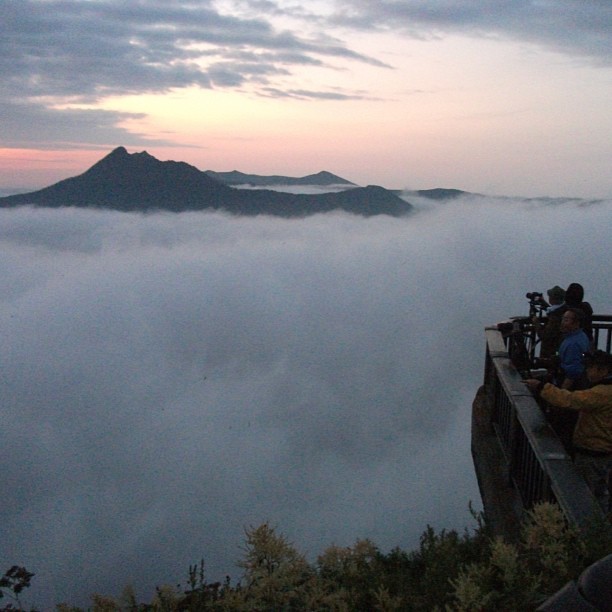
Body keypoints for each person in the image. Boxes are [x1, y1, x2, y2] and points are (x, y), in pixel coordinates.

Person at [524, 351, 612, 513]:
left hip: (592, 451)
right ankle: (601, 528)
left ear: (604, 370)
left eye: (591, 368)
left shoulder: (601, 394)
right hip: (605, 452)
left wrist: (542, 387)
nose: (587, 371)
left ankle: (588, 532)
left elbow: (570, 400)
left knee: (585, 496)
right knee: (602, 494)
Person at [537, 285, 566, 360]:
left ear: (552, 299)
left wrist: (536, 323)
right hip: (557, 349)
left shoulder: (555, 317)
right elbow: (553, 310)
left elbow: (545, 336)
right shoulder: (564, 310)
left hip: (550, 352)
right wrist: (543, 303)